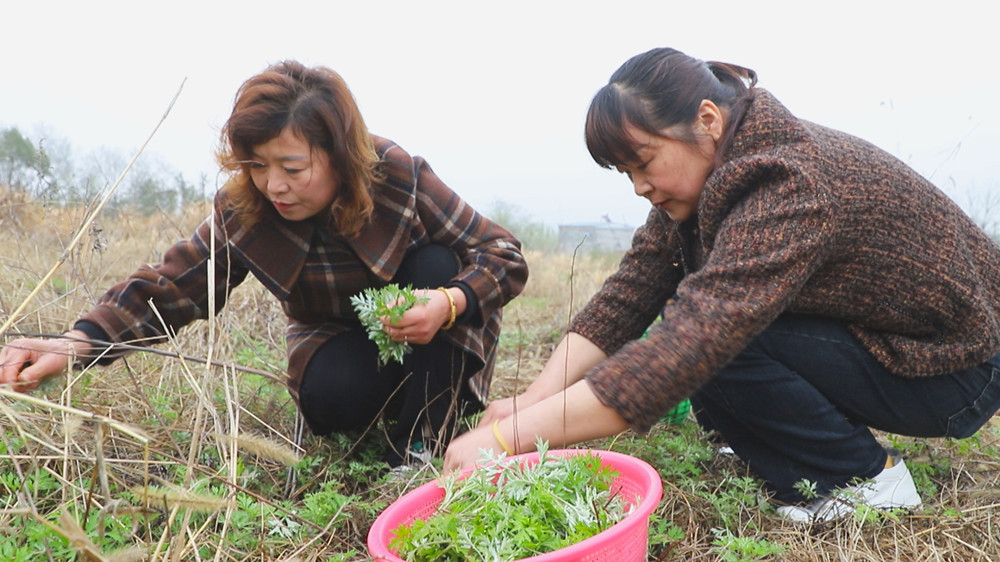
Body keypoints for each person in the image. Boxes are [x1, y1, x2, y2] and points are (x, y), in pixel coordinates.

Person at [443, 47, 1000, 522]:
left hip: (956, 368)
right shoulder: (715, 172)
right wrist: (533, 402)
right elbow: (627, 295)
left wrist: (502, 441)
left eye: (643, 162)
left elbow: (694, 342)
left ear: (707, 119)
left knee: (713, 342)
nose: (639, 187)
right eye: (625, 174)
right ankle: (785, 447)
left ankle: (866, 482)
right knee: (698, 328)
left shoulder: (790, 184)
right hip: (901, 345)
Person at [0, 60, 528, 469]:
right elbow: (172, 287)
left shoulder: (394, 176)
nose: (274, 185)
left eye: (292, 167)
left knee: (436, 262)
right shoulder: (246, 210)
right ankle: (389, 416)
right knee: (329, 397)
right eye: (256, 165)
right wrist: (75, 343)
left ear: (338, 155)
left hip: (437, 336)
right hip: (338, 343)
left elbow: (503, 254)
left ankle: (422, 446)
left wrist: (449, 303)